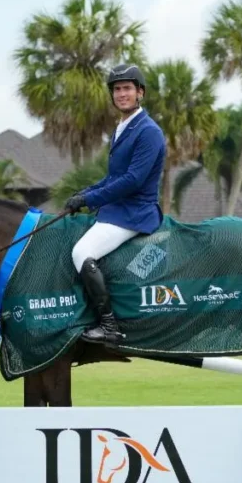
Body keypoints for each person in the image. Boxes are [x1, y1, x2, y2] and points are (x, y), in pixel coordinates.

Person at [62, 63, 167, 345]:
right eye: (117, 89)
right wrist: (84, 193)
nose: (121, 94)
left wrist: (91, 199)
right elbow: (113, 177)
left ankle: (109, 326)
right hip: (117, 209)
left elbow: (133, 180)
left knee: (82, 252)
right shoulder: (122, 127)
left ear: (140, 93)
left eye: (127, 89)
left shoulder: (149, 131)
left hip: (136, 213)